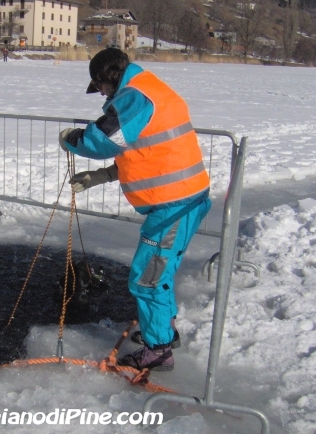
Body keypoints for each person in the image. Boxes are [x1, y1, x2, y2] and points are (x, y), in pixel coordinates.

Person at [59, 48, 211, 372]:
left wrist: (72, 139)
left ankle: (158, 350)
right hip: (182, 199)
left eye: (98, 86)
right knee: (159, 272)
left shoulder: (135, 96)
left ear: (108, 79)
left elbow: (105, 138)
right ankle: (164, 332)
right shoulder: (147, 89)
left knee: (147, 279)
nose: (99, 93)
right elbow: (146, 152)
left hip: (175, 205)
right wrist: (103, 176)